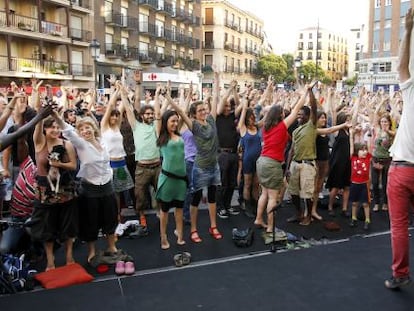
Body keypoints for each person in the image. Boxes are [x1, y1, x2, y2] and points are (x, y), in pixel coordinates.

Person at [53, 110, 119, 264]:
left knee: (110, 218)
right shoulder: (81, 144)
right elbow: (68, 131)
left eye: (87, 127)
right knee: (91, 222)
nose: (85, 131)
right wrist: (56, 116)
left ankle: (111, 246)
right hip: (90, 189)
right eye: (81, 129)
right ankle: (92, 251)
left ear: (93, 128)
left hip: (107, 185)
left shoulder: (102, 141)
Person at [166, 70, 222, 243]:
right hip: (200, 167)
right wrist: (168, 98)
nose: (204, 111)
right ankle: (194, 230)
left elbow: (217, 97)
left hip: (214, 166)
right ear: (195, 113)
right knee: (196, 198)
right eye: (200, 110)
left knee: (213, 197)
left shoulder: (211, 120)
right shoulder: (194, 126)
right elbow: (181, 112)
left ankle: (213, 226)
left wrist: (217, 78)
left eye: (204, 109)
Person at [384, 8, 414, 289]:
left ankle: (400, 274)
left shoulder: (412, 89)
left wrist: (408, 29)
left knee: (399, 227)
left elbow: (401, 66)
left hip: (403, 169)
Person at [254, 84, 308, 234]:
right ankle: (270, 227)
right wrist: (305, 92)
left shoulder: (265, 127)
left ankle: (259, 218)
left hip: (262, 161)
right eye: (283, 113)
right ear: (280, 116)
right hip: (272, 163)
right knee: (273, 196)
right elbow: (297, 109)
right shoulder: (282, 126)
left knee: (264, 193)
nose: (285, 114)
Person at [33, 110, 78, 271]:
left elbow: (73, 165)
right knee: (47, 227)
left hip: (65, 190)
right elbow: (37, 125)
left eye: (57, 126)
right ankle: (50, 260)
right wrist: (41, 111)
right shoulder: (39, 143)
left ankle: (69, 256)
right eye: (51, 127)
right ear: (45, 129)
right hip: (45, 192)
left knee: (68, 225)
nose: (55, 130)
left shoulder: (67, 144)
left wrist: (59, 165)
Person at [124, 75, 161, 228]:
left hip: (157, 166)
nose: (150, 116)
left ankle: (160, 212)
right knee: (139, 195)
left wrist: (157, 94)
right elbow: (127, 108)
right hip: (142, 167)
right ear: (141, 116)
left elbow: (159, 112)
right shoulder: (136, 126)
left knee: (160, 193)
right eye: (147, 114)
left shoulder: (155, 126)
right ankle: (142, 216)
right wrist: (122, 92)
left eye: (151, 114)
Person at [101, 85, 134, 221]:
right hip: (110, 163)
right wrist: (116, 91)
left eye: (116, 116)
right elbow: (110, 106)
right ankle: (113, 216)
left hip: (121, 162)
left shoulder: (117, 127)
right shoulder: (104, 127)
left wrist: (122, 92)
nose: (114, 117)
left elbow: (121, 108)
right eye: (112, 115)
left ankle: (118, 215)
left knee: (120, 191)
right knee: (111, 193)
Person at [155, 109, 187, 249]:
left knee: (179, 209)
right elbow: (158, 116)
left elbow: (182, 111)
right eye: (172, 121)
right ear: (165, 122)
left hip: (181, 180)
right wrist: (163, 96)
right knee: (165, 211)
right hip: (168, 180)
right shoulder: (162, 137)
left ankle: (179, 235)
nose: (175, 123)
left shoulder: (178, 135)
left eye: (176, 120)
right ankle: (163, 237)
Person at [238, 95, 262, 218]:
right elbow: (241, 120)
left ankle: (255, 205)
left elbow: (268, 117)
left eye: (254, 117)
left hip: (259, 160)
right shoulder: (243, 129)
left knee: (256, 184)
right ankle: (247, 207)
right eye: (251, 117)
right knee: (247, 184)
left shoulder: (257, 127)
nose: (253, 119)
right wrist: (244, 106)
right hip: (248, 160)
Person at [371, 113, 394, 212]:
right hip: (376, 159)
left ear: (389, 122)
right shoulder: (377, 130)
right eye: (382, 121)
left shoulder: (392, 133)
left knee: (385, 183)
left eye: (385, 121)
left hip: (386, 160)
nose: (383, 123)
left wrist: (387, 131)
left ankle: (385, 203)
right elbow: (374, 115)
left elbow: (395, 135)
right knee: (375, 183)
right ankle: (376, 203)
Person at [348, 132, 372, 230]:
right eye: (362, 150)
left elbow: (369, 146)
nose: (364, 152)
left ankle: (367, 220)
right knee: (354, 203)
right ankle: (354, 218)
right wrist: (351, 135)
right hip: (354, 184)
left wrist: (369, 134)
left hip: (364, 185)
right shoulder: (353, 157)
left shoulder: (368, 158)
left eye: (365, 150)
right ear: (357, 151)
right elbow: (351, 146)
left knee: (365, 203)